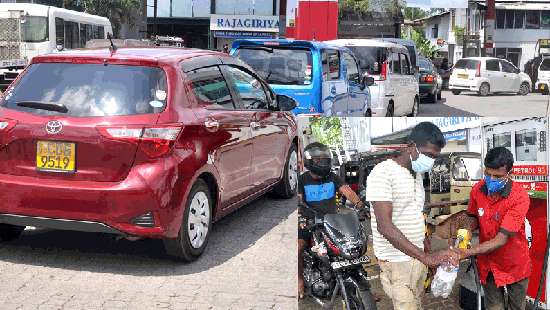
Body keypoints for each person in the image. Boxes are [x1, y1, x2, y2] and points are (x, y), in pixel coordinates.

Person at [365, 122, 457, 310]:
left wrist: (427, 254)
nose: (431, 161)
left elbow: (416, 216)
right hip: (397, 262)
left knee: (417, 304)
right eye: (428, 155)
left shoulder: (416, 175)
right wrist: (426, 258)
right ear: (410, 147)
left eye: (435, 157)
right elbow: (385, 226)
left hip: (416, 258)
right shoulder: (383, 172)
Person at [450, 147, 531, 310]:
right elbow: (471, 218)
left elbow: (501, 239)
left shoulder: (520, 197)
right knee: (494, 306)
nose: (491, 179)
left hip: (514, 263)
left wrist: (466, 252)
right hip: (488, 264)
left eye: (498, 176)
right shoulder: (477, 190)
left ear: (510, 173)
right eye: (488, 174)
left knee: (517, 306)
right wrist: (460, 238)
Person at [297, 142, 365, 298]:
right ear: (309, 162)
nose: (323, 163)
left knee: (351, 247)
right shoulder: (302, 180)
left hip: (332, 221)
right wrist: (302, 213)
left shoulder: (332, 177)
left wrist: (360, 205)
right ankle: (299, 280)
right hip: (310, 222)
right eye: (318, 160)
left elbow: (347, 191)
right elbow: (299, 202)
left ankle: (361, 287)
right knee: (298, 248)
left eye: (325, 159)